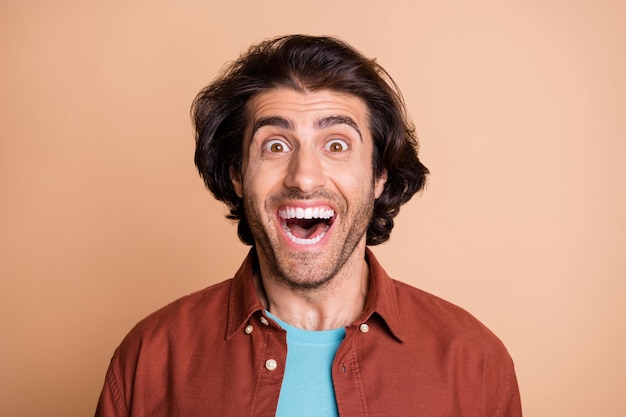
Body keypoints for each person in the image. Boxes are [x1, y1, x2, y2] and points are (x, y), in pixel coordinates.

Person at [95, 34, 522, 417]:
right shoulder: (149, 359)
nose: (304, 176)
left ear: (379, 176)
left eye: (336, 144)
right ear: (237, 176)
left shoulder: (475, 362)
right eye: (275, 145)